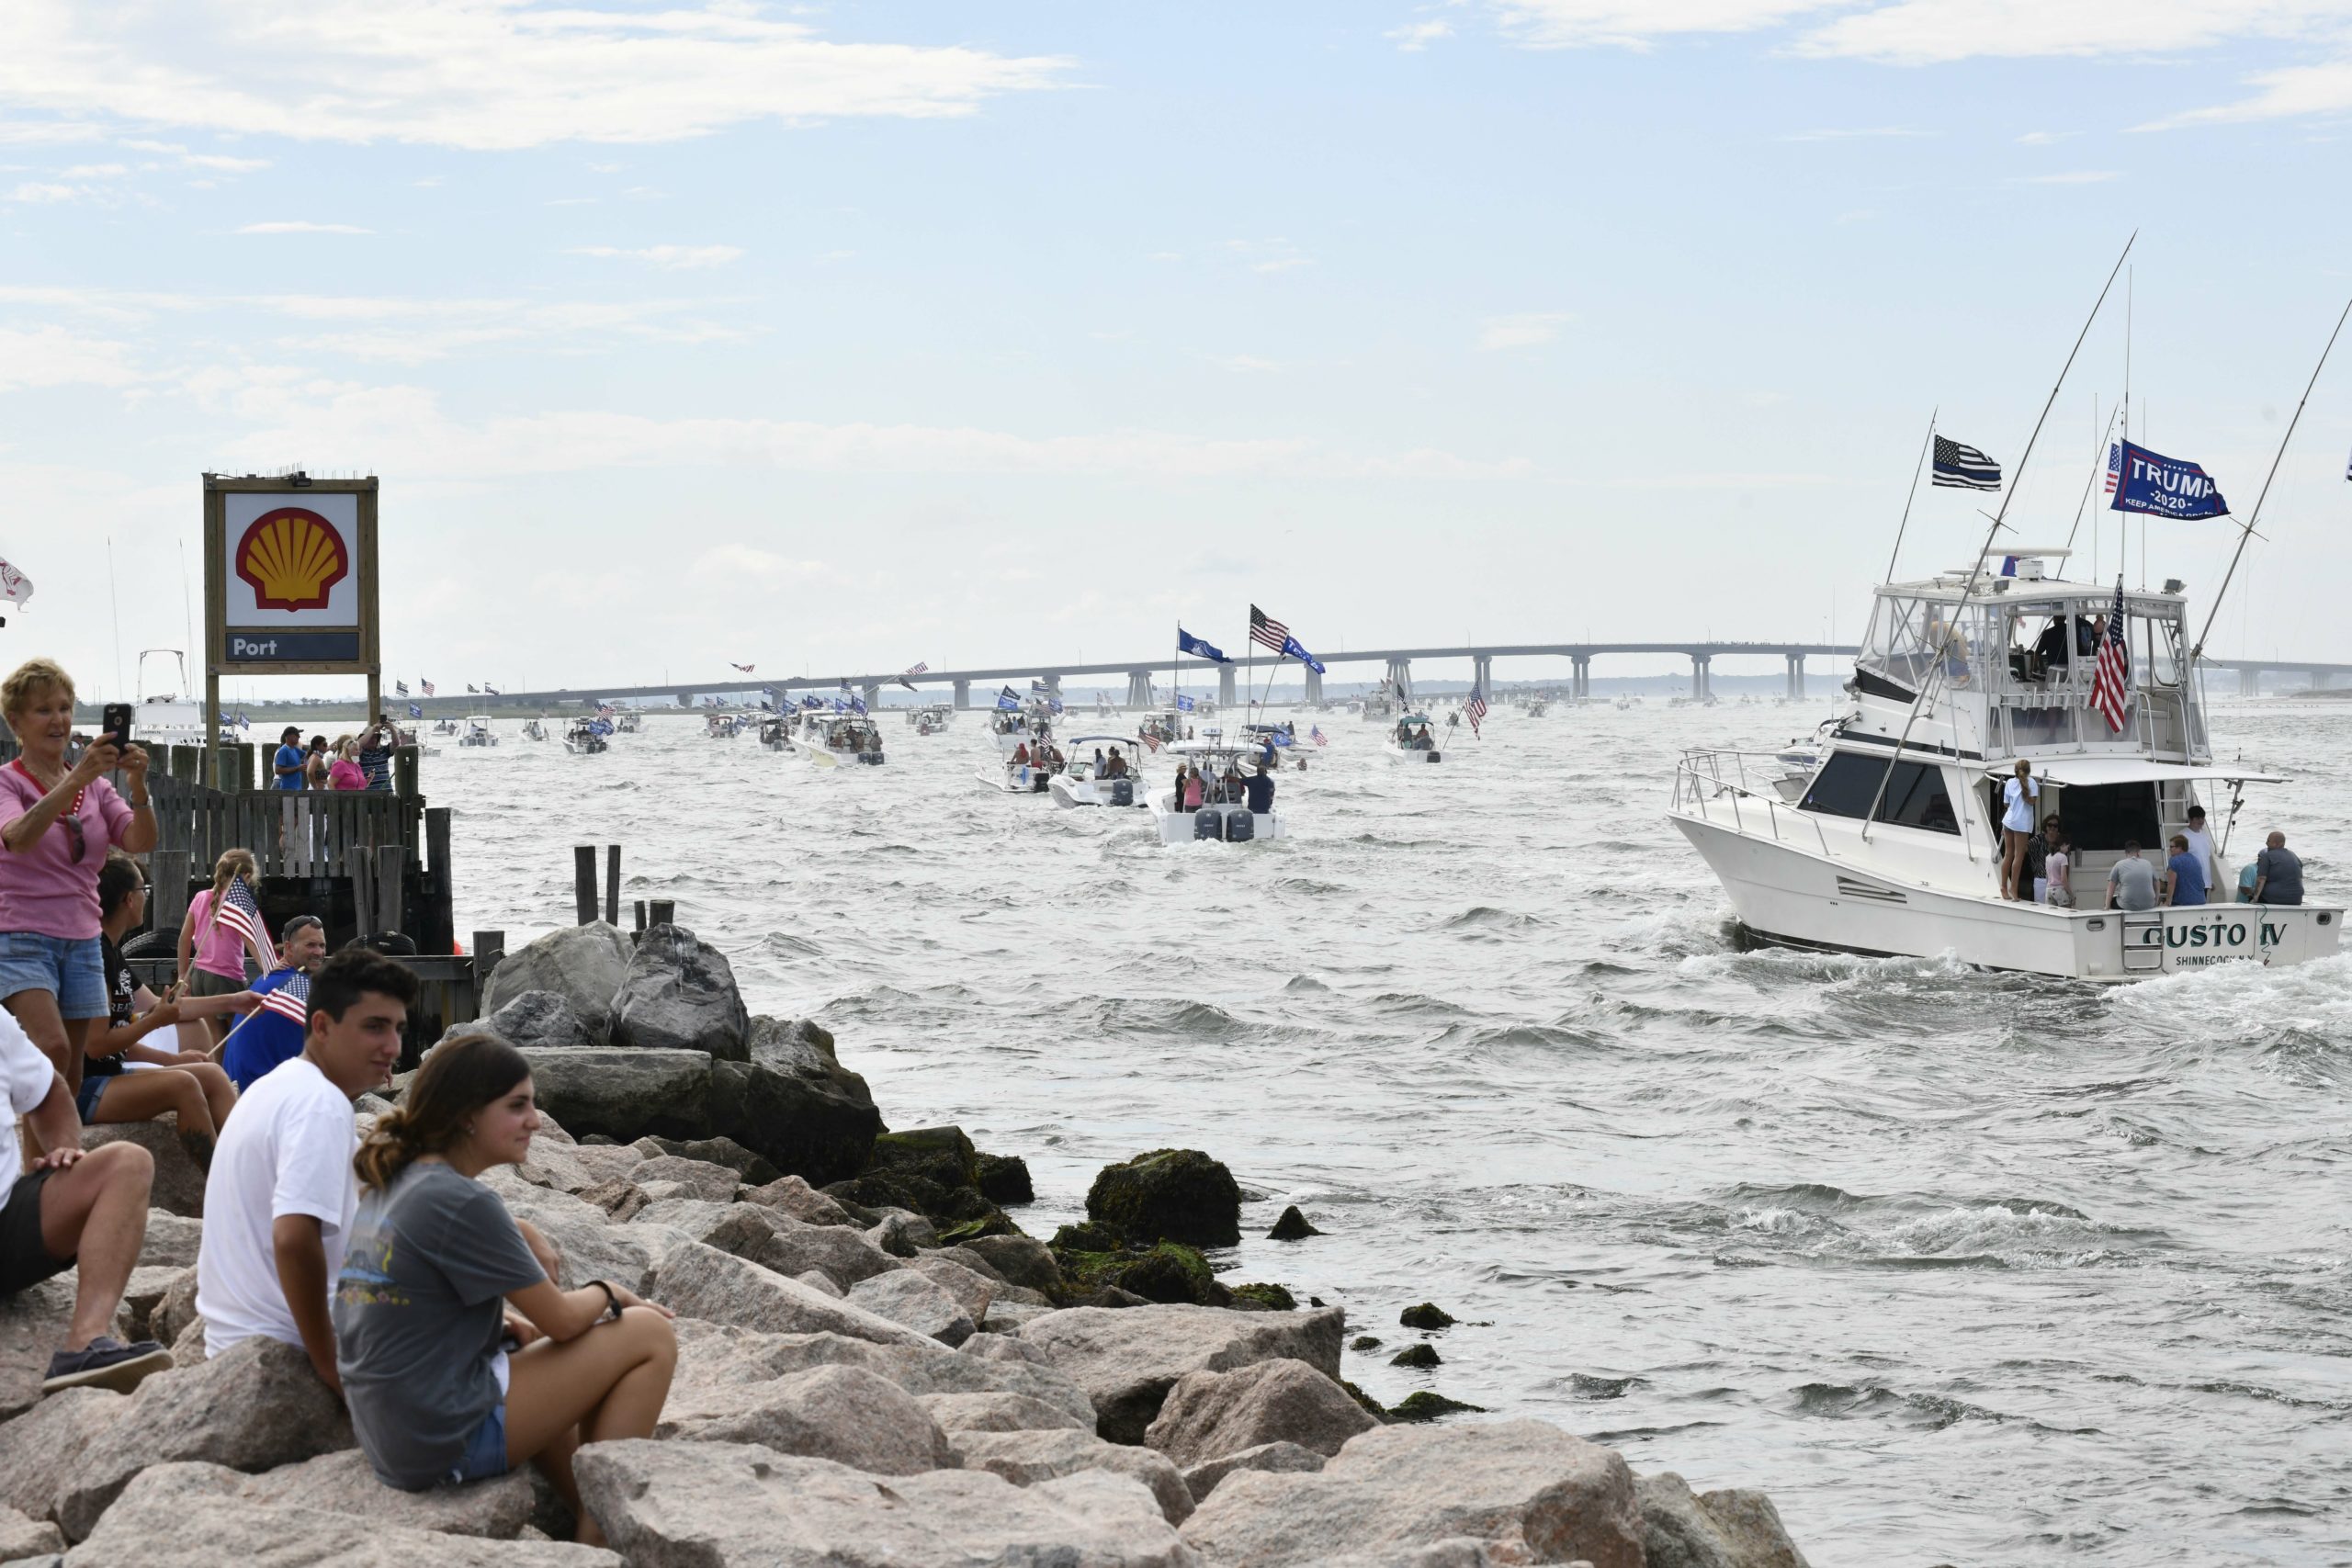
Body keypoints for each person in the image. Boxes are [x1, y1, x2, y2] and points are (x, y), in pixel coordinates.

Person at [336, 1036, 675, 1543]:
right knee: (649, 1334)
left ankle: (587, 1518)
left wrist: (515, 1237)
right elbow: (561, 1320)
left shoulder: (395, 1181)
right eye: (518, 1105)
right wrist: (611, 1291)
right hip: (439, 1439)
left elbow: (412, 1300)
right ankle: (597, 1546)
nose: (535, 1121)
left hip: (392, 1432)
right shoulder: (462, 1200)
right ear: (466, 1114)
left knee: (521, 1345)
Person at [198, 946, 418, 1381]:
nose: (392, 1046)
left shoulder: (274, 1087)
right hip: (285, 1347)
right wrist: (329, 1366)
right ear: (321, 1026)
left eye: (398, 1029)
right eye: (375, 1027)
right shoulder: (320, 1104)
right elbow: (295, 1238)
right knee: (577, 1346)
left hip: (234, 1340)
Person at [0, 996, 173, 1393]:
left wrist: (63, 1144)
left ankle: (86, 1342)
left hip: (7, 1223)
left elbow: (49, 1093)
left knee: (127, 1164)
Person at [0, 658, 158, 1091]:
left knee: (70, 1071)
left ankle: (54, 1157)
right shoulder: (7, 782)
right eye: (44, 710)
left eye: (66, 708)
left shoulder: (97, 786)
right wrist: (78, 778)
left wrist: (139, 787)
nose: (60, 720)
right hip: (21, 936)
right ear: (16, 720)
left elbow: (139, 841)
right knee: (51, 1048)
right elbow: (17, 837)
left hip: (83, 938)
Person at [90, 852, 245, 1171]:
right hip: (87, 1086)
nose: (146, 896)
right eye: (143, 890)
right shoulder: (94, 956)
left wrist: (235, 1002)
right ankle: (221, 1181)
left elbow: (167, 1011)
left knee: (213, 1074)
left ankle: (248, 1165)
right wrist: (154, 1022)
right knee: (184, 1085)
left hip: (110, 1074)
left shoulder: (113, 954)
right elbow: (96, 1044)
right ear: (127, 899)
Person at [176, 849, 277, 1047]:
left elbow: (184, 938)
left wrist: (182, 975)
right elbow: (250, 940)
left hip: (199, 976)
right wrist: (270, 967)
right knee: (236, 1036)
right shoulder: (237, 903)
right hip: (225, 978)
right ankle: (231, 1076)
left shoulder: (200, 897)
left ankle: (216, 1075)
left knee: (214, 1037)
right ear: (246, 876)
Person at [222, 915, 331, 1092]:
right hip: (263, 1092)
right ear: (288, 948)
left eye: (322, 945)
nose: (318, 952)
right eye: (310, 945)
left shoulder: (264, 980)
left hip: (234, 1087)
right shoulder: (303, 989)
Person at [1999, 761, 2039, 901]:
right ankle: (2013, 889)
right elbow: (2032, 802)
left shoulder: (2009, 782)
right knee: (2019, 856)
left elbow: (2006, 803)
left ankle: (2003, 887)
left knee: (2008, 854)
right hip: (2021, 823)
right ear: (2029, 770)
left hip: (2008, 821)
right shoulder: (2032, 782)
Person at [2252, 832, 2303, 907]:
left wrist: (2254, 899)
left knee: (2252, 898)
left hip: (2273, 899)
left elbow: (2261, 879)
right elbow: (2300, 877)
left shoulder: (2267, 856)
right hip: (2297, 900)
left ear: (2276, 844)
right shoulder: (2294, 855)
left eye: (2268, 841)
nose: (2266, 843)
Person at [2106, 840, 2158, 912]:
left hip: (2126, 905)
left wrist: (2107, 906)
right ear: (2139, 852)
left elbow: (2111, 887)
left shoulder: (2119, 864)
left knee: (2112, 900)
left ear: (2126, 853)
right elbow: (2157, 883)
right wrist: (2156, 902)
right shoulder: (2148, 863)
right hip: (2149, 904)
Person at [2163, 834, 2207, 908]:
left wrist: (2167, 903)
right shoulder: (2195, 859)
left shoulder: (2174, 860)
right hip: (2201, 900)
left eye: (2171, 847)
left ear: (2180, 848)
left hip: (2183, 902)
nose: (2169, 849)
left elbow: (2171, 884)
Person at [2183, 805, 2218, 895]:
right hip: (2191, 881)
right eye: (2198, 818)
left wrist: (2210, 880)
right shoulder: (2183, 835)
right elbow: (2180, 860)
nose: (2201, 821)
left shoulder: (2205, 835)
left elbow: (2205, 859)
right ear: (2191, 819)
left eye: (2202, 818)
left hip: (2205, 882)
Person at [356, 716, 396, 793]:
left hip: (387, 794)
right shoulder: (360, 753)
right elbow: (358, 745)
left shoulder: (383, 751)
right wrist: (373, 729)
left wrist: (392, 729)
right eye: (371, 737)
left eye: (375, 737)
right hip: (369, 796)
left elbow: (396, 743)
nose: (373, 739)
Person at [2025, 814, 2058, 904]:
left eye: (2055, 826)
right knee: (2041, 908)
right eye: (2050, 825)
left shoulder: (2061, 841)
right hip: (2041, 880)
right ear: (2045, 827)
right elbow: (2023, 848)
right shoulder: (2038, 839)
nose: (2052, 828)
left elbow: (2066, 864)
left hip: (2057, 882)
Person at [2043, 830, 2075, 908]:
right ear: (2063, 845)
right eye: (2068, 847)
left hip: (2049, 890)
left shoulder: (2048, 857)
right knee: (2066, 914)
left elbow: (2047, 876)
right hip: (2059, 890)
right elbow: (2064, 879)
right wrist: (2071, 895)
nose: (2068, 850)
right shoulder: (2062, 857)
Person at [271, 727, 306, 792]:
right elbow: (278, 770)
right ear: (288, 736)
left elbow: (308, 755)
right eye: (297, 735)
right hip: (287, 789)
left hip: (297, 788)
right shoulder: (283, 750)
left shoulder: (294, 749)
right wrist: (297, 768)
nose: (299, 737)